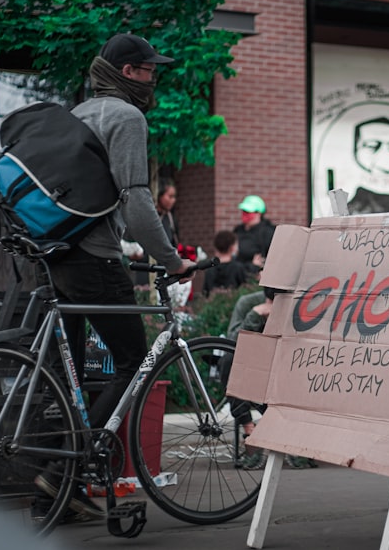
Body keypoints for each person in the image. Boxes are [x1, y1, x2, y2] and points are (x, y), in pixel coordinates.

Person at [36, 33, 196, 518]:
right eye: (150, 70)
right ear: (129, 73)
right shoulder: (126, 117)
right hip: (94, 257)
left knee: (67, 378)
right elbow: (137, 201)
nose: (155, 77)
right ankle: (67, 469)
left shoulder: (75, 114)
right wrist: (172, 260)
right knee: (131, 360)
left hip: (53, 255)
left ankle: (55, 495)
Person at [225, 287, 317, 470]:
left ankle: (282, 433)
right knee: (229, 361)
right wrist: (255, 315)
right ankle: (251, 430)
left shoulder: (301, 303)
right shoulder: (248, 302)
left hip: (288, 364)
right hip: (255, 367)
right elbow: (231, 342)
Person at [233, 195, 275, 274]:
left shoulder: (267, 232)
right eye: (244, 211)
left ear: (258, 213)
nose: (245, 214)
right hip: (239, 273)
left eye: (248, 212)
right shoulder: (238, 230)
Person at [202, 230, 249, 296]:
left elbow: (205, 294)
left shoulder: (210, 270)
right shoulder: (238, 268)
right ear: (232, 247)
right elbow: (246, 290)